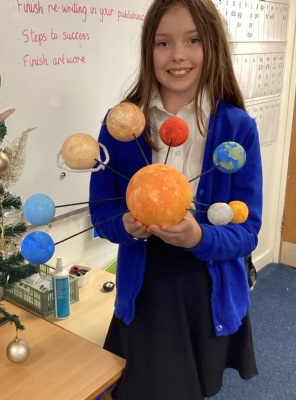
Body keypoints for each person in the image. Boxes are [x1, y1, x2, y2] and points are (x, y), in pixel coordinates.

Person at [89, 1, 263, 399]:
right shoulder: (121, 124)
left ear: (212, 46)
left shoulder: (237, 127)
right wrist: (125, 226)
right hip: (145, 286)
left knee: (190, 387)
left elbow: (248, 231)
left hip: (207, 288)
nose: (178, 55)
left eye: (193, 40)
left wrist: (199, 236)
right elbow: (101, 212)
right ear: (148, 50)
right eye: (163, 42)